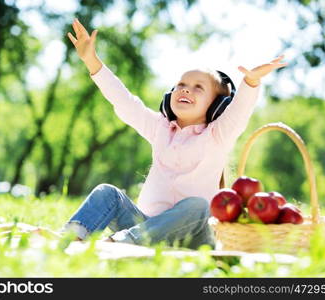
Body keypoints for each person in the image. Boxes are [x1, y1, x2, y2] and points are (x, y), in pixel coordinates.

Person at [61, 18, 287, 250]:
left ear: (217, 105)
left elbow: (240, 111)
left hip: (192, 235)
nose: (186, 89)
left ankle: (119, 243)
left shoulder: (218, 134)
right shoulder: (159, 128)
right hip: (144, 229)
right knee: (107, 193)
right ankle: (70, 239)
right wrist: (92, 61)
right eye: (181, 84)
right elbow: (124, 101)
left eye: (199, 87)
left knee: (198, 206)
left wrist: (251, 81)